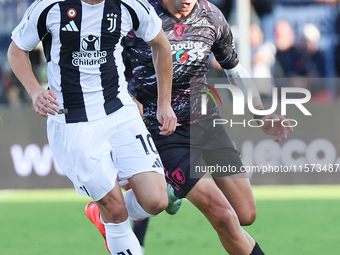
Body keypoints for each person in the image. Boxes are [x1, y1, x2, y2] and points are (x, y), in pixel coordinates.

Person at [86, 0, 294, 254]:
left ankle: (172, 189)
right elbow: (103, 65)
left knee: (245, 214)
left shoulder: (211, 16)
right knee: (224, 217)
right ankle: (121, 205)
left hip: (207, 126)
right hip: (164, 131)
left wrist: (260, 112)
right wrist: (129, 99)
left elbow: (234, 69)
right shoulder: (139, 15)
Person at [7, 0, 177, 255]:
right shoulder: (50, 6)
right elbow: (16, 50)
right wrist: (34, 91)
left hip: (120, 112)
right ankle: (109, 213)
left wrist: (165, 103)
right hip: (74, 122)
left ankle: (100, 212)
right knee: (117, 212)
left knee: (156, 200)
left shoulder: (130, 5)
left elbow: (161, 45)